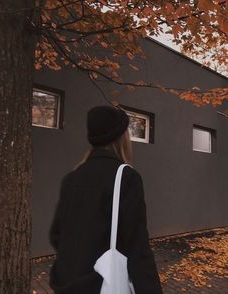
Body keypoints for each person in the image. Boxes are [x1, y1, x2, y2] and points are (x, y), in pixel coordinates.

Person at [49, 105, 163, 294]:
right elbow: (137, 249)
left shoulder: (72, 178)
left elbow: (56, 235)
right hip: (104, 285)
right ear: (121, 136)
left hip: (66, 284)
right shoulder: (126, 177)